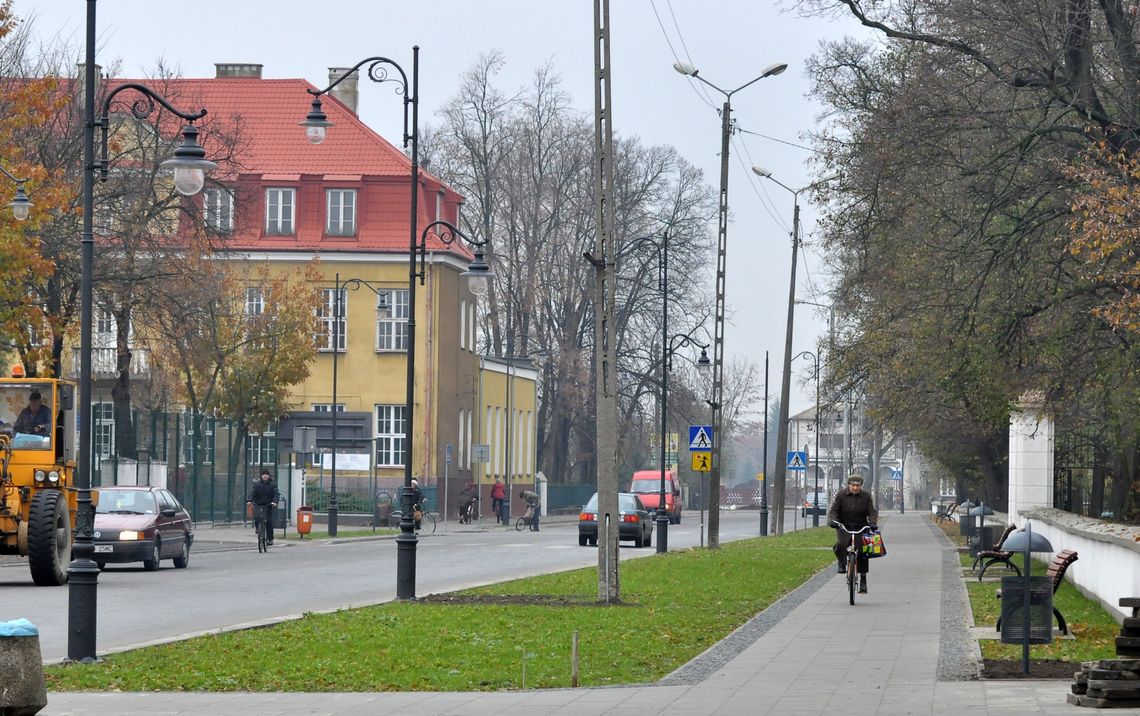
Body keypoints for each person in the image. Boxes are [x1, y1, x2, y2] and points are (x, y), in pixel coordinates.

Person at [828, 474, 879, 594]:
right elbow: (834, 510)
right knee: (841, 544)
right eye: (853, 485)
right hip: (844, 525)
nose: (855, 488)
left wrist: (872, 523)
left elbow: (871, 511)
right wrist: (834, 521)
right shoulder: (841, 495)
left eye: (858, 485)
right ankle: (841, 562)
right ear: (849, 485)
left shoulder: (866, 496)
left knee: (862, 552)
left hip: (860, 526)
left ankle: (863, 580)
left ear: (861, 486)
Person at [247, 468, 280, 545]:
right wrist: (249, 500)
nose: (265, 476)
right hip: (258, 504)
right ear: (261, 476)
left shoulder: (272, 484)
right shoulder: (257, 484)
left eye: (266, 474)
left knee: (268, 522)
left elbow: (276, 494)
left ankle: (270, 538)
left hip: (268, 505)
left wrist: (275, 502)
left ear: (268, 476)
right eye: (263, 474)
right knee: (257, 517)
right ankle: (258, 528)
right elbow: (252, 493)